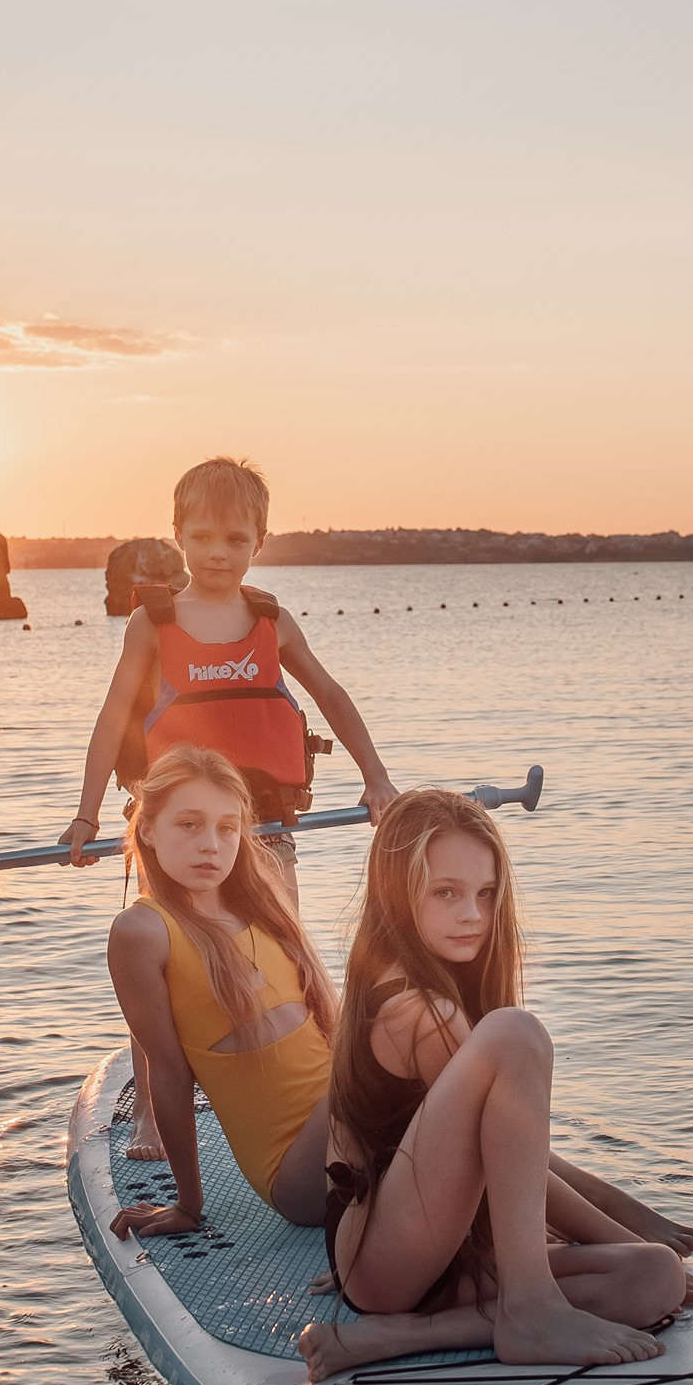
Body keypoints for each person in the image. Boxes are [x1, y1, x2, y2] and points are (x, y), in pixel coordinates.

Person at [299, 790, 693, 1382]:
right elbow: (513, 1169)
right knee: (516, 1033)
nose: (473, 916)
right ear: (395, 894)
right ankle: (529, 1309)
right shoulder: (418, 1011)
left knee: (652, 1278)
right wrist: (616, 1219)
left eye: (486, 894)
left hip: (414, 1255)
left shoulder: (418, 983)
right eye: (446, 893)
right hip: (389, 1261)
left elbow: (509, 1149)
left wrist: (657, 1256)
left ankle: (405, 1336)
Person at [63, 454, 399, 1159]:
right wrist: (89, 814)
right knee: (165, 972)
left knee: (286, 962)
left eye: (236, 539)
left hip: (266, 831)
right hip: (175, 838)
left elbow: (332, 697)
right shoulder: (153, 624)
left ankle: (316, 1104)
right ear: (179, 532)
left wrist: (377, 778)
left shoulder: (271, 621)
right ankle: (155, 1120)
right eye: (205, 536)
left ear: (261, 541)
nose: (219, 553)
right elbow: (112, 714)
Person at [104, 746, 338, 1235]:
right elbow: (168, 1074)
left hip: (350, 1122)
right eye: (189, 825)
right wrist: (187, 1205)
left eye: (226, 828)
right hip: (301, 1172)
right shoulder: (144, 931)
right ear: (147, 829)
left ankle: (541, 1248)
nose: (210, 844)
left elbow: (331, 1031)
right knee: (415, 1020)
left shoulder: (264, 909)